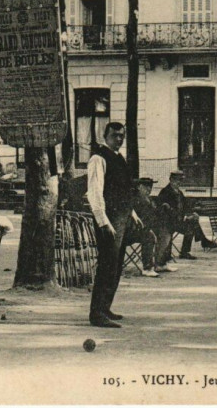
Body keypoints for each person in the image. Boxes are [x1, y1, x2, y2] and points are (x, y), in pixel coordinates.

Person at [87, 122, 143, 328]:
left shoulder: (119, 159)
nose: (119, 139)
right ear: (105, 136)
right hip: (108, 221)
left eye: (122, 136)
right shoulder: (98, 159)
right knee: (106, 266)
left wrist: (132, 213)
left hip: (121, 219)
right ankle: (96, 313)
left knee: (116, 266)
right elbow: (95, 193)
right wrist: (103, 222)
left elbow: (124, 190)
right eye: (115, 135)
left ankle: (106, 307)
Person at [157, 171, 217, 260]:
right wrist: (185, 217)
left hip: (178, 220)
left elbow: (186, 206)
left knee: (193, 222)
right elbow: (165, 210)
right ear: (171, 180)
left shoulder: (179, 192)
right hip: (168, 223)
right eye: (176, 180)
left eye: (180, 180)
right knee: (191, 224)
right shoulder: (165, 192)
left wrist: (192, 213)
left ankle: (188, 250)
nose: (178, 182)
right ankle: (201, 243)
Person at [129, 177, 177, 276]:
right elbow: (135, 219)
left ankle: (160, 263)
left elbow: (154, 214)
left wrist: (162, 208)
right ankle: (147, 268)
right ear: (139, 187)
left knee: (166, 231)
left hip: (147, 227)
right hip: (134, 230)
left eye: (150, 187)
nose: (149, 189)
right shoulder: (134, 199)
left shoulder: (149, 199)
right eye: (146, 187)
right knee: (149, 236)